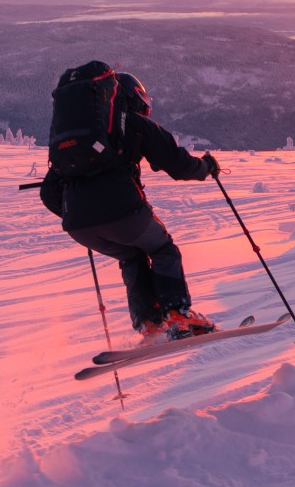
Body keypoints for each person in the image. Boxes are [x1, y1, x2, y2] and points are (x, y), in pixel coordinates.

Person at [39, 70, 221, 342]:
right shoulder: (132, 123)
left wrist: (78, 213)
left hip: (78, 225)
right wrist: (206, 167)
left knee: (132, 256)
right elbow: (178, 164)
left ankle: (149, 323)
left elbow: (48, 193)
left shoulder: (80, 142)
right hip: (124, 211)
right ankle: (178, 315)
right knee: (163, 249)